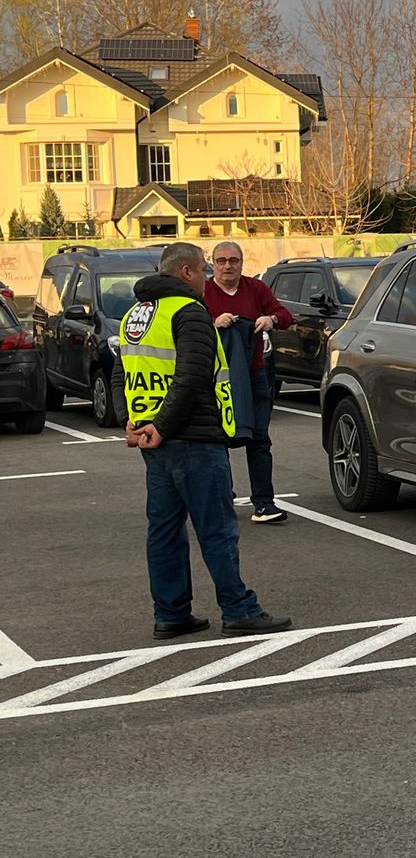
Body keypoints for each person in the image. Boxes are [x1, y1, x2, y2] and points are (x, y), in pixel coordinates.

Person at [114, 242, 291, 640]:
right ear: (186, 273)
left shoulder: (135, 314)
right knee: (217, 528)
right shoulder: (189, 312)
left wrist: (132, 422)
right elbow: (192, 376)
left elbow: (121, 372)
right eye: (202, 270)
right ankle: (239, 608)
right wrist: (164, 424)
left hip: (153, 440)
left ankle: (172, 613)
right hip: (192, 436)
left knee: (164, 529)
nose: (207, 277)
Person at [204, 241, 293, 524]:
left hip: (255, 375)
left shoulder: (256, 289)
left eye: (233, 260)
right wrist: (213, 322)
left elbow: (286, 316)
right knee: (218, 440)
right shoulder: (203, 292)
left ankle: (264, 503)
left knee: (259, 439)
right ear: (212, 263)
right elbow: (185, 324)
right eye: (221, 261)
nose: (227, 266)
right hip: (217, 380)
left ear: (242, 262)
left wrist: (270, 319)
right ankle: (223, 498)